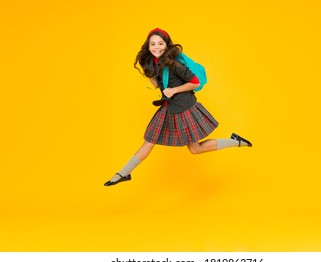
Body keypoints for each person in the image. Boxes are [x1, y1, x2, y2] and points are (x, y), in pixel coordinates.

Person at [104, 28, 252, 186]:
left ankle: (234, 141)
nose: (157, 47)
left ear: (167, 45)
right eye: (153, 44)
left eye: (160, 43)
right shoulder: (155, 63)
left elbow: (195, 82)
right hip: (169, 108)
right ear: (148, 46)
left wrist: (174, 90)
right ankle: (124, 173)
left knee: (195, 149)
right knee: (149, 141)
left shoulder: (174, 64)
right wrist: (148, 72)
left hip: (184, 107)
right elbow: (156, 85)